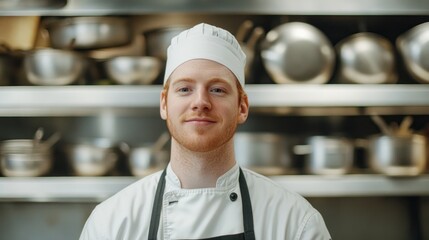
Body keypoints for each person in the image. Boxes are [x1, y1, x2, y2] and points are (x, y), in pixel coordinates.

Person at [79, 22, 331, 240]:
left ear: (242, 106)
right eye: (185, 89)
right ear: (164, 104)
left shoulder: (296, 224)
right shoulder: (110, 224)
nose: (200, 102)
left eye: (217, 89)